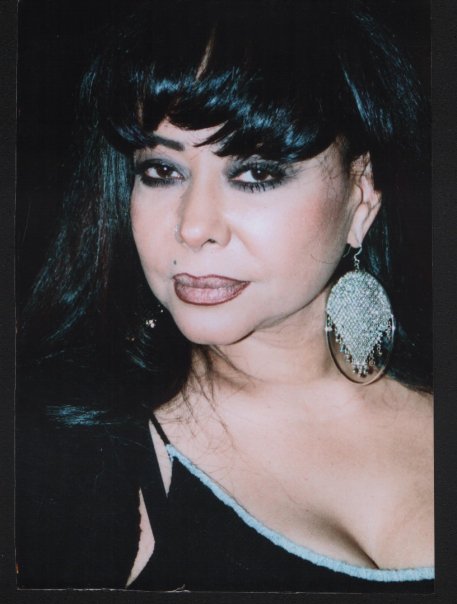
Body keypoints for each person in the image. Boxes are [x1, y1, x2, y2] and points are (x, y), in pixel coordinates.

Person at [16, 0, 433, 592]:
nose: (194, 226)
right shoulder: (67, 449)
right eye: (162, 172)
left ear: (361, 194)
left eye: (256, 173)